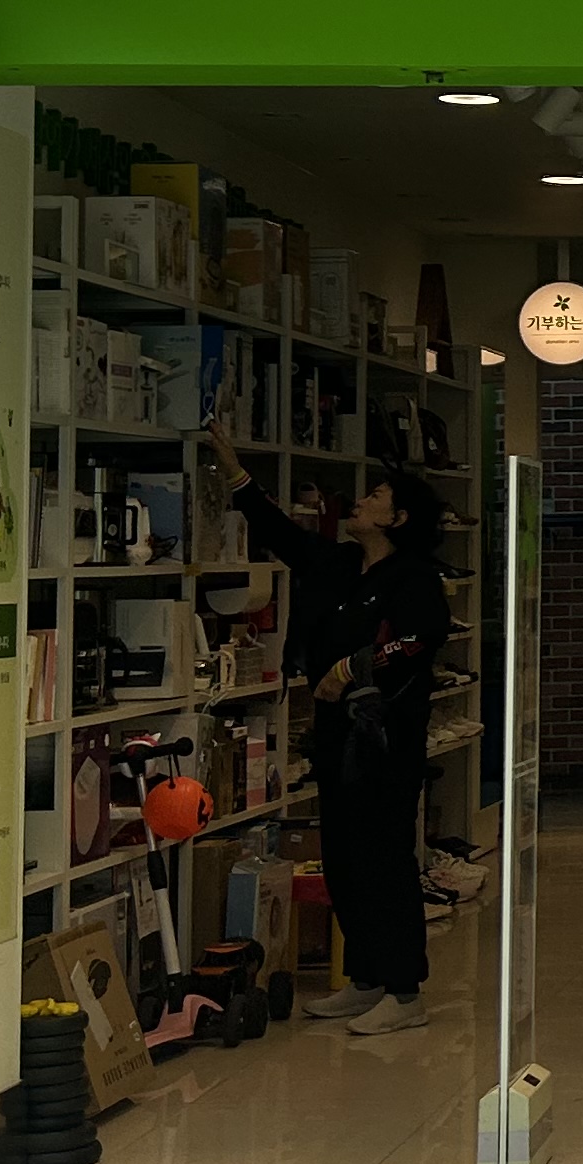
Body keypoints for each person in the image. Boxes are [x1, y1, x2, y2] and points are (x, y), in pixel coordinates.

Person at [209, 418, 451, 1034]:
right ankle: (366, 978)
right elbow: (283, 535)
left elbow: (420, 638)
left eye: (375, 497)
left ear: (397, 520)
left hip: (385, 740)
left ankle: (405, 991)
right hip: (337, 736)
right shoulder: (342, 564)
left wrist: (349, 669)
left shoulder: (414, 576)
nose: (360, 502)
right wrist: (235, 473)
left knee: (385, 859)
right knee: (342, 856)